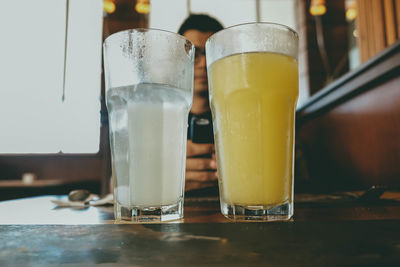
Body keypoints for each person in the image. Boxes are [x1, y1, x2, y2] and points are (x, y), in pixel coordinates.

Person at [177, 14, 224, 192]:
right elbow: (116, 185)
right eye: (194, 53)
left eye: (213, 53)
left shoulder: (244, 118)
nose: (204, 63)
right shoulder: (161, 119)